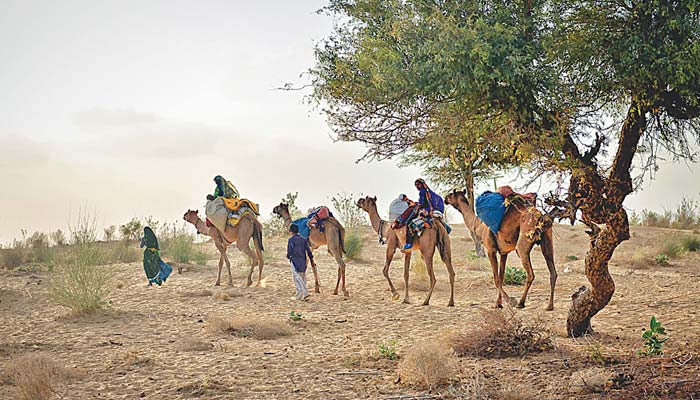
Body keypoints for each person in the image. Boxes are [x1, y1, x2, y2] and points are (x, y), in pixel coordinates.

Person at [286, 224, 315, 301]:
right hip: (303, 260)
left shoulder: (291, 240)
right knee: (302, 277)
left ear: (291, 232)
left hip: (294, 260)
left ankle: (305, 293)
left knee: (297, 278)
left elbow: (289, 251)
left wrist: (288, 256)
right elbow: (308, 251)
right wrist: (311, 258)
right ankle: (299, 296)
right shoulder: (303, 239)